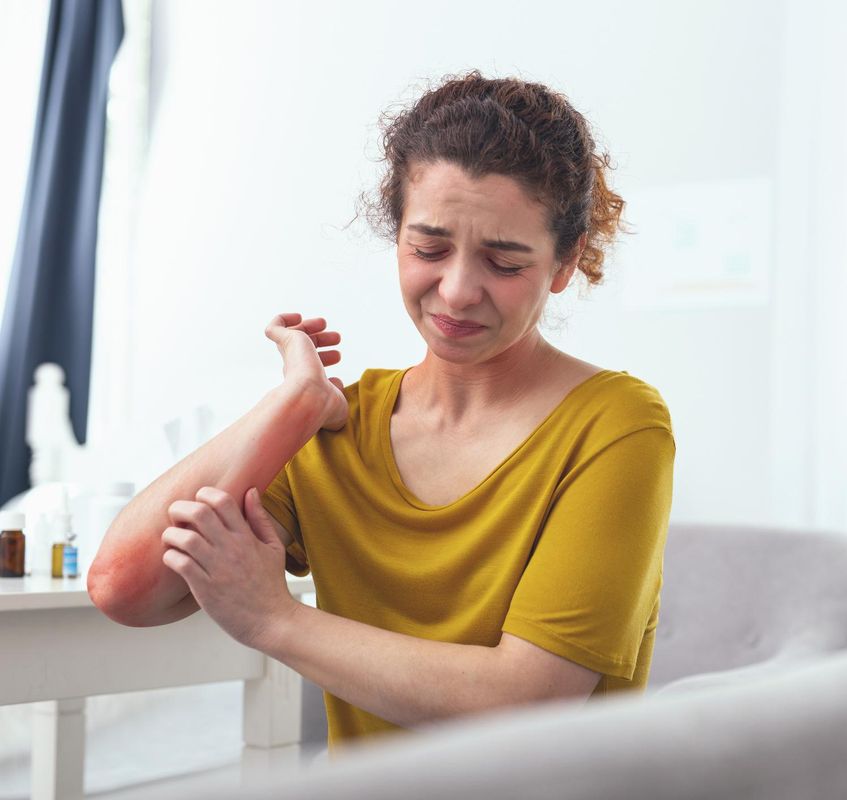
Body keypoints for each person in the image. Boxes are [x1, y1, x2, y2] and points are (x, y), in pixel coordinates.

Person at [87, 70, 676, 756]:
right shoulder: (337, 425)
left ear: (566, 260)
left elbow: (526, 702)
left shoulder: (616, 424)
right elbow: (126, 588)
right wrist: (292, 405)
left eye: (504, 261)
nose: (456, 291)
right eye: (428, 248)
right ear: (395, 233)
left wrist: (273, 621)